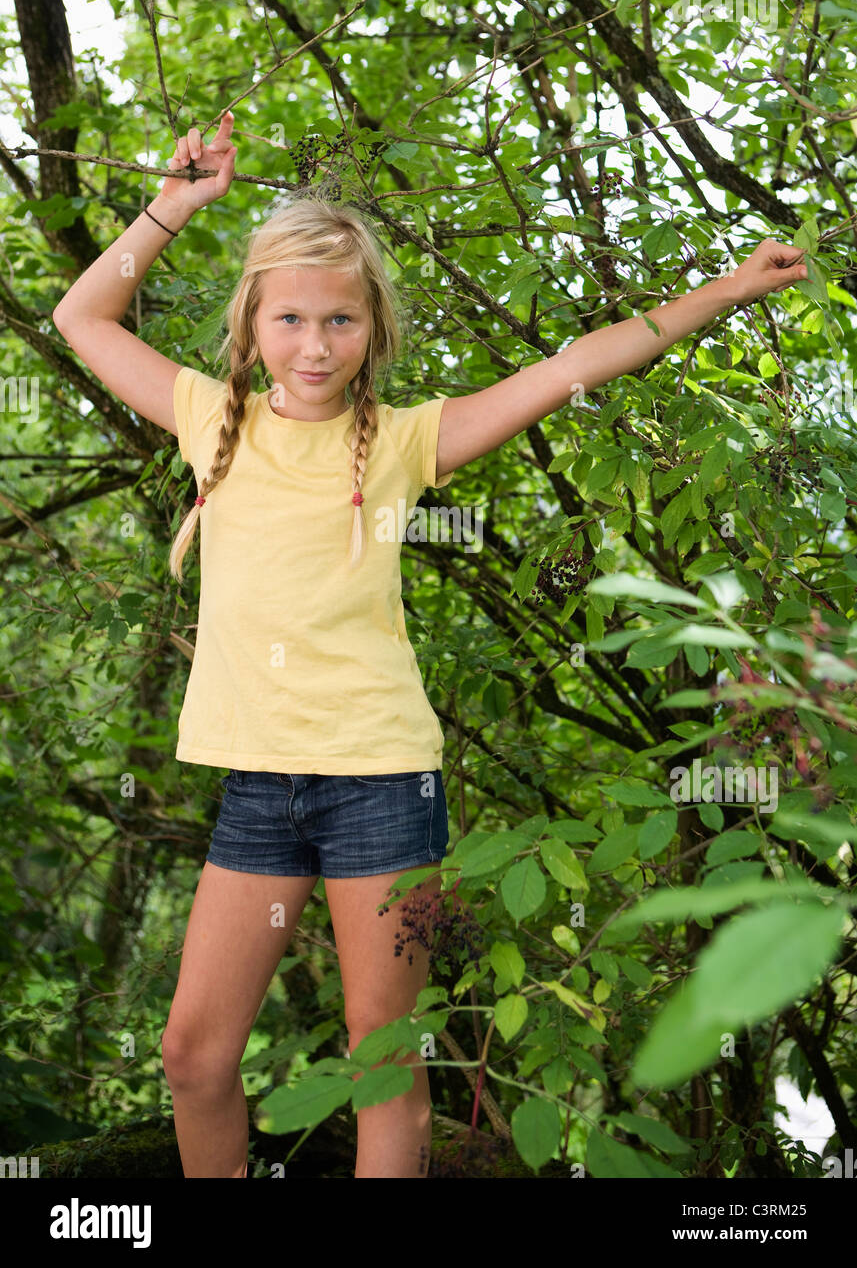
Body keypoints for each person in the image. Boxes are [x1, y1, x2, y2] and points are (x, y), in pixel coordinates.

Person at [52, 110, 808, 1179]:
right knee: (190, 1052)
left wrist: (722, 291)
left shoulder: (405, 441)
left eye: (342, 323)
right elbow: (82, 318)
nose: (315, 346)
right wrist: (171, 205)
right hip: (259, 786)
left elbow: (569, 366)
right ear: (251, 323)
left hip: (379, 780)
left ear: (374, 331)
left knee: (380, 1055)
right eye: (292, 319)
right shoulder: (204, 414)